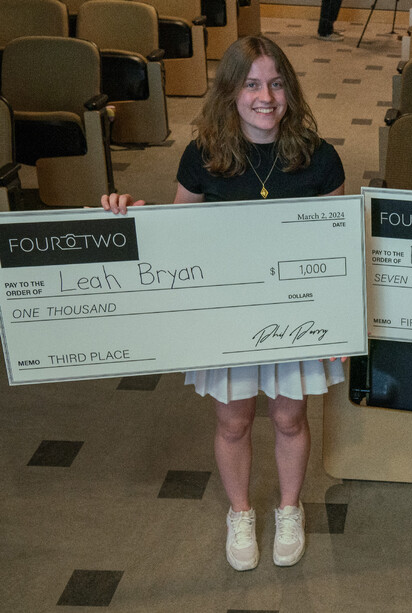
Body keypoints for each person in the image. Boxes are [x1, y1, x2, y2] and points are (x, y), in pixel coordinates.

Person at [102, 35, 346, 572]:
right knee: (233, 422)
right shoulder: (205, 154)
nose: (266, 97)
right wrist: (126, 216)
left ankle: (288, 507)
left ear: (289, 90)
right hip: (227, 318)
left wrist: (340, 328)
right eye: (252, 84)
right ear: (231, 92)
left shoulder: (318, 156)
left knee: (288, 417)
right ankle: (240, 512)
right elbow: (174, 234)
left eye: (277, 84)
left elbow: (338, 247)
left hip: (292, 313)